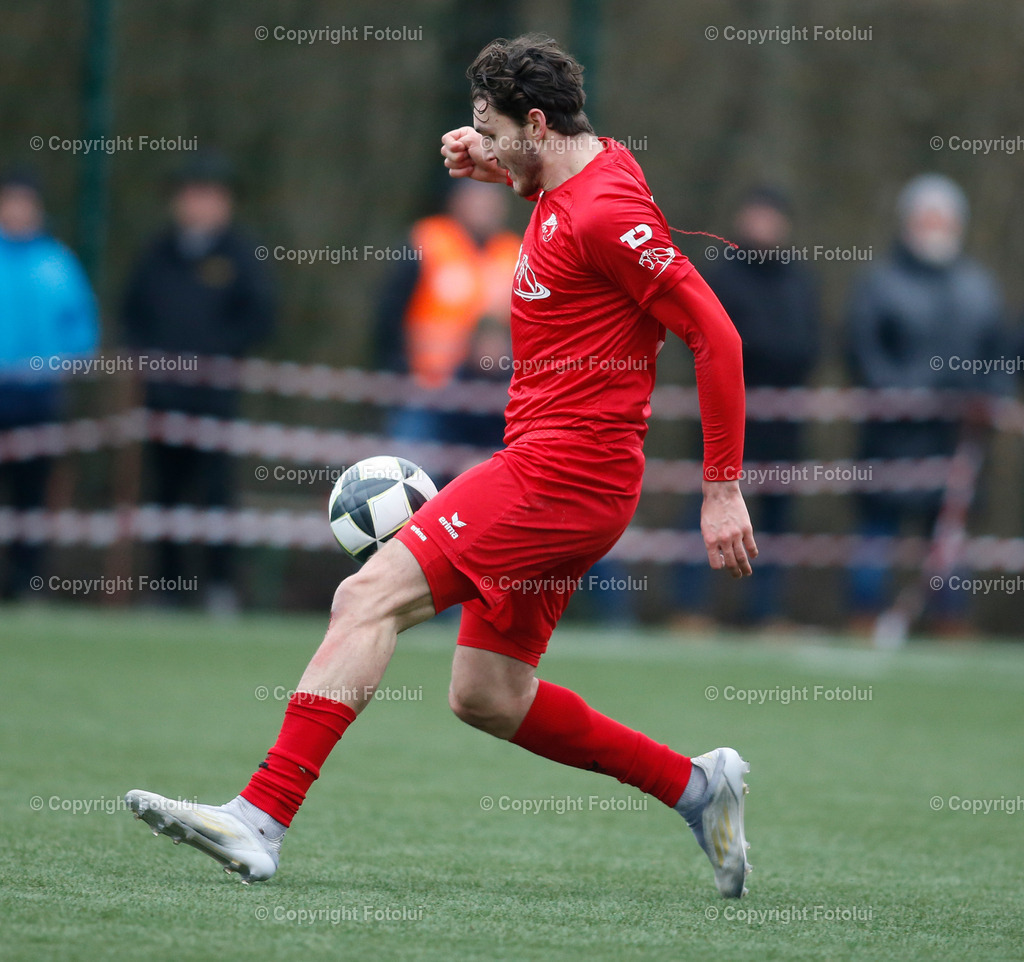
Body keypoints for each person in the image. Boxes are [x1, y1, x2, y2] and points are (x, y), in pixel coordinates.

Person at [125, 36, 757, 899]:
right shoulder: (580, 170)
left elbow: (716, 335)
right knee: (489, 693)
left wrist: (721, 489)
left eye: (490, 129)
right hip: (563, 473)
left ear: (537, 123)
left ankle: (261, 816)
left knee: (366, 594)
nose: (477, 143)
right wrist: (503, 169)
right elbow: (571, 207)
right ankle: (696, 786)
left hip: (564, 475)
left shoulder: (609, 210)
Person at [845, 173, 1007, 630]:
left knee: (949, 537)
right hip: (891, 439)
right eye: (926, 217)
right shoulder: (878, 284)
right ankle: (862, 614)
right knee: (877, 534)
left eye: (943, 218)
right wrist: (906, 397)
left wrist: (990, 398)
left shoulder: (980, 288)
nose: (934, 227)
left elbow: (1000, 357)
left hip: (954, 441)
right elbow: (863, 353)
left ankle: (951, 622)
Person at [121, 152, 275, 615]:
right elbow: (132, 313)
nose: (199, 205)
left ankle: (220, 588)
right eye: (191, 195)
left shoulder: (241, 255)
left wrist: (216, 356)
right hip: (162, 399)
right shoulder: (156, 253)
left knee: (215, 495)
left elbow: (260, 316)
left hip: (215, 400)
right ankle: (166, 589)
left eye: (210, 196)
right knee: (164, 494)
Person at [673, 187, 819, 629]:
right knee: (706, 506)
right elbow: (711, 341)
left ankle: (766, 611)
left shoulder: (800, 281)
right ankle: (689, 607)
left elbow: (808, 345)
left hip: (783, 422)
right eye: (755, 216)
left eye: (771, 217)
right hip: (723, 415)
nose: (763, 226)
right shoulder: (719, 277)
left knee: (775, 519)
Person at [0, 167, 99, 599]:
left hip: (39, 396)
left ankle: (26, 584)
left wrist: (61, 362)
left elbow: (81, 328)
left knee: (32, 498)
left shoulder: (57, 263)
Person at [374, 177, 520, 467]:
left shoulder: (515, 252)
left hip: (498, 396)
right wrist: (399, 367)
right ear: (456, 201)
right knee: (413, 477)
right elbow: (389, 311)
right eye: (476, 198)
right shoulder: (427, 241)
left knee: (495, 482)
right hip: (429, 387)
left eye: (491, 199)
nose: (484, 207)